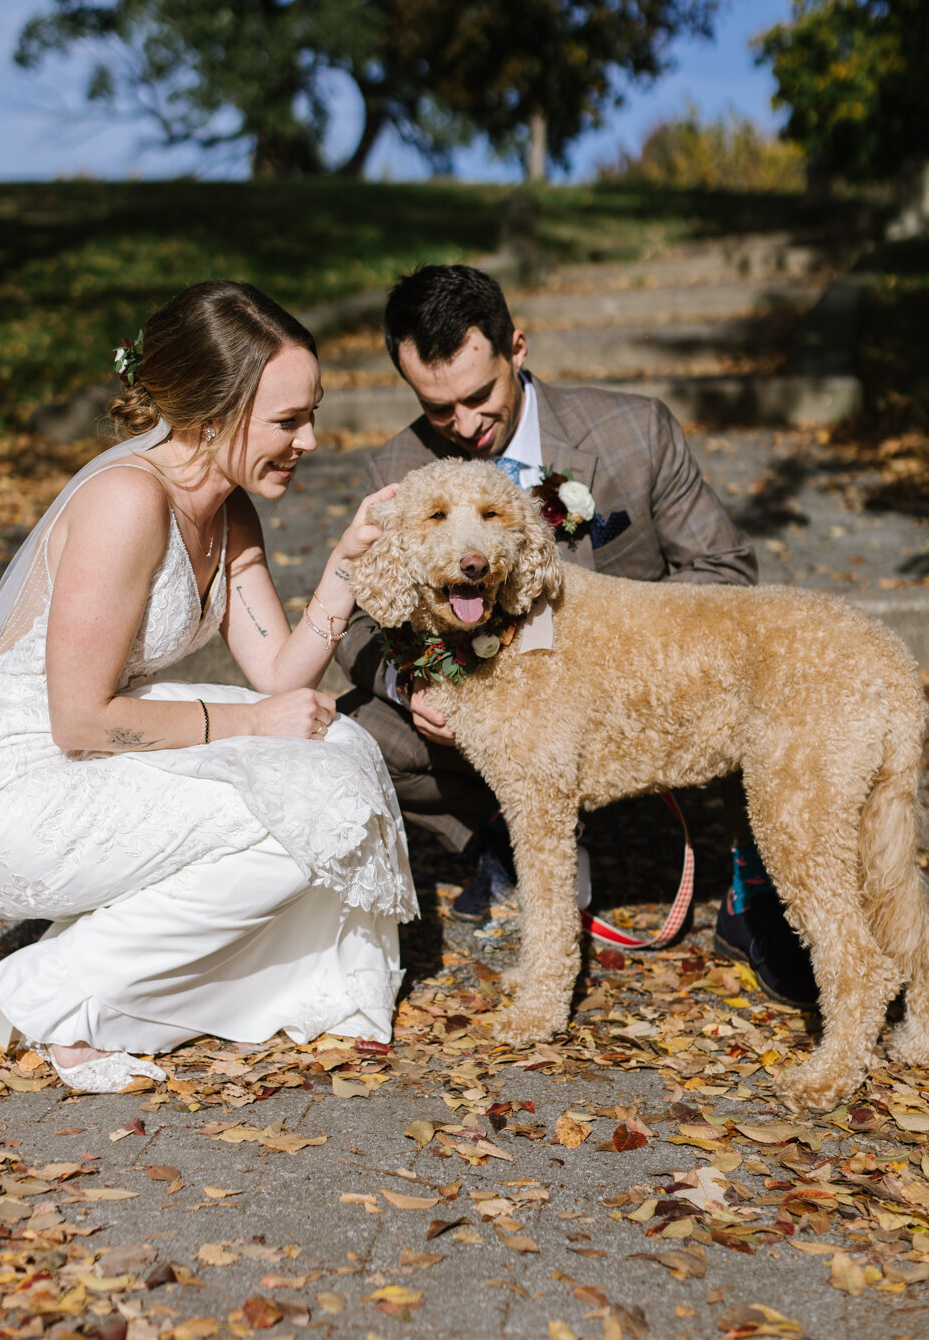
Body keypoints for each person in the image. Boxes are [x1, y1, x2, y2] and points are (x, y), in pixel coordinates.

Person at [0, 281, 417, 1093]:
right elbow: (80, 717)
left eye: (312, 414)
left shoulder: (229, 515)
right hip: (14, 784)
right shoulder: (127, 501)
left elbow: (278, 678)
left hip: (88, 757)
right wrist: (253, 725)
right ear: (213, 414)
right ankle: (57, 991)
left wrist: (344, 567)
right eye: (290, 420)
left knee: (333, 749)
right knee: (300, 816)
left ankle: (86, 967)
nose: (314, 441)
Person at [337, 263, 818, 1008]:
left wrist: (620, 647)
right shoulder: (396, 469)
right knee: (361, 726)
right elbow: (358, 620)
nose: (463, 426)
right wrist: (417, 682)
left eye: (478, 396)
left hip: (641, 692)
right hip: (492, 698)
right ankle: (508, 840)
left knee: (746, 666)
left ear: (517, 348)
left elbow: (726, 571)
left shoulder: (632, 431)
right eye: (437, 409)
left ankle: (750, 876)